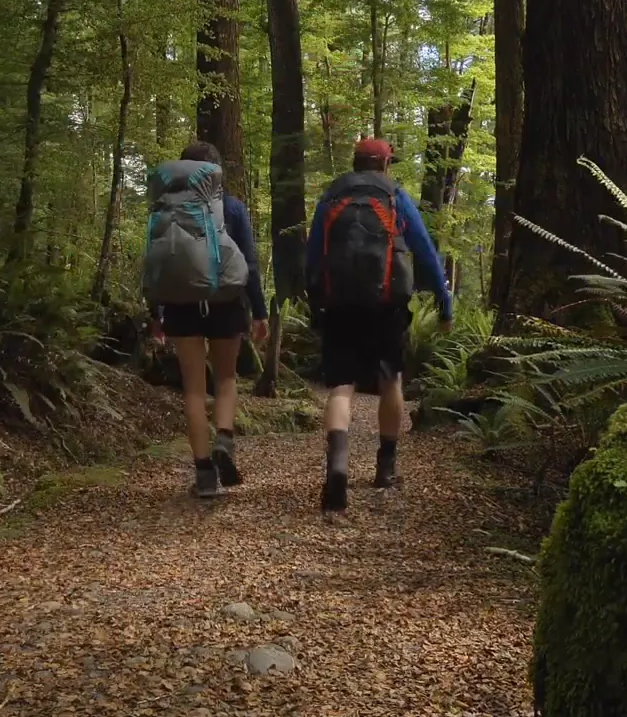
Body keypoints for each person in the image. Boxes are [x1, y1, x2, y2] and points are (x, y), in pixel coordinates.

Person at [305, 136, 451, 514]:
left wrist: (314, 301)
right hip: (387, 303)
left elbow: (312, 254)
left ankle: (337, 467)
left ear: (355, 163)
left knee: (340, 386)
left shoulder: (331, 196)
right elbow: (425, 252)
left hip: (339, 303)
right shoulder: (395, 196)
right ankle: (385, 468)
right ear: (385, 165)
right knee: (391, 381)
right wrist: (444, 303)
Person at [145, 141, 269, 499]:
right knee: (227, 378)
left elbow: (157, 265)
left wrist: (157, 314)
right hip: (227, 301)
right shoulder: (231, 207)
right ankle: (225, 441)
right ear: (214, 173)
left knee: (194, 389)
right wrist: (259, 311)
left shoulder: (165, 207)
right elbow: (250, 263)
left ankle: (203, 475)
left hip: (181, 306)